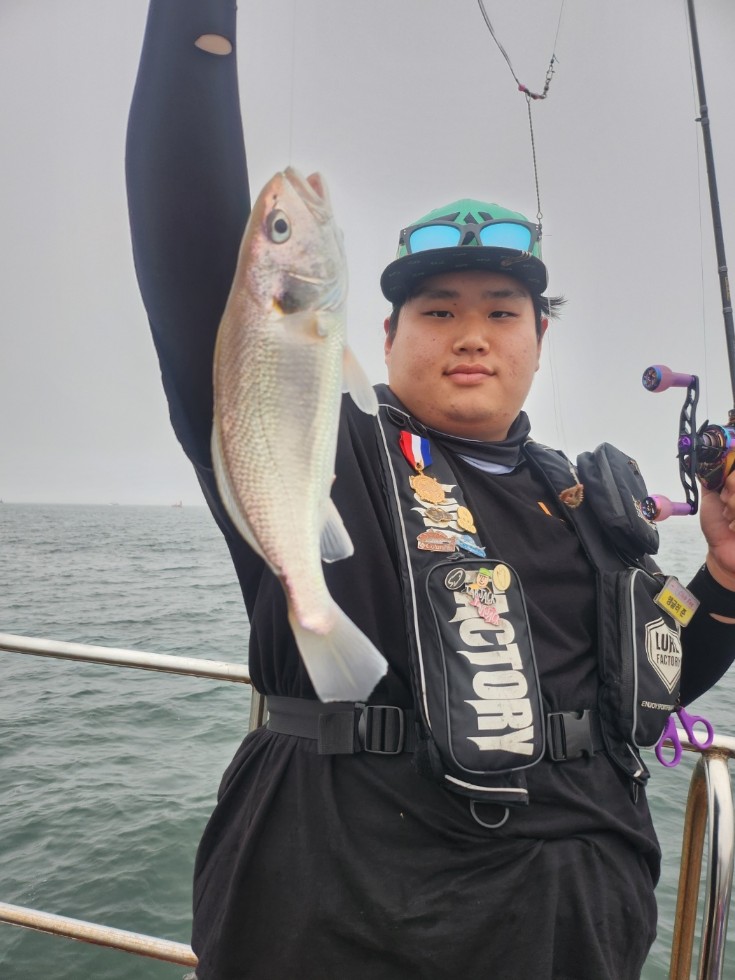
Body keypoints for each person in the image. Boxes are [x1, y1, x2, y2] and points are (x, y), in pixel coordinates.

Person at [126, 3, 735, 978]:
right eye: (438, 310)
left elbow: (649, 687)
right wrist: (199, 30)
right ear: (385, 335)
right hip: (337, 920)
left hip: (571, 934)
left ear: (541, 338)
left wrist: (726, 574)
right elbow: (192, 251)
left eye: (503, 311)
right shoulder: (323, 442)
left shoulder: (585, 504)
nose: (472, 334)